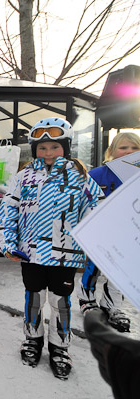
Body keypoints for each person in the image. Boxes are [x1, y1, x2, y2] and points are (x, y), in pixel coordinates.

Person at [0, 117, 103, 380]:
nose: (48, 153)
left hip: (64, 254)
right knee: (33, 299)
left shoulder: (80, 176)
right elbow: (8, 210)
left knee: (60, 302)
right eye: (42, 148)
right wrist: (7, 242)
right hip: (30, 253)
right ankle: (33, 339)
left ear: (65, 146)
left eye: (54, 147)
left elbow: (97, 210)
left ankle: (60, 347)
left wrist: (100, 239)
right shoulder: (24, 176)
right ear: (34, 150)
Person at [76, 132, 140, 332]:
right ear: (111, 151)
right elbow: (81, 200)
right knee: (93, 267)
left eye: (134, 147)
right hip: (100, 232)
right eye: (123, 147)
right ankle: (86, 299)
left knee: (120, 272)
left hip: (129, 233)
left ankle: (112, 306)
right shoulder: (97, 174)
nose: (128, 152)